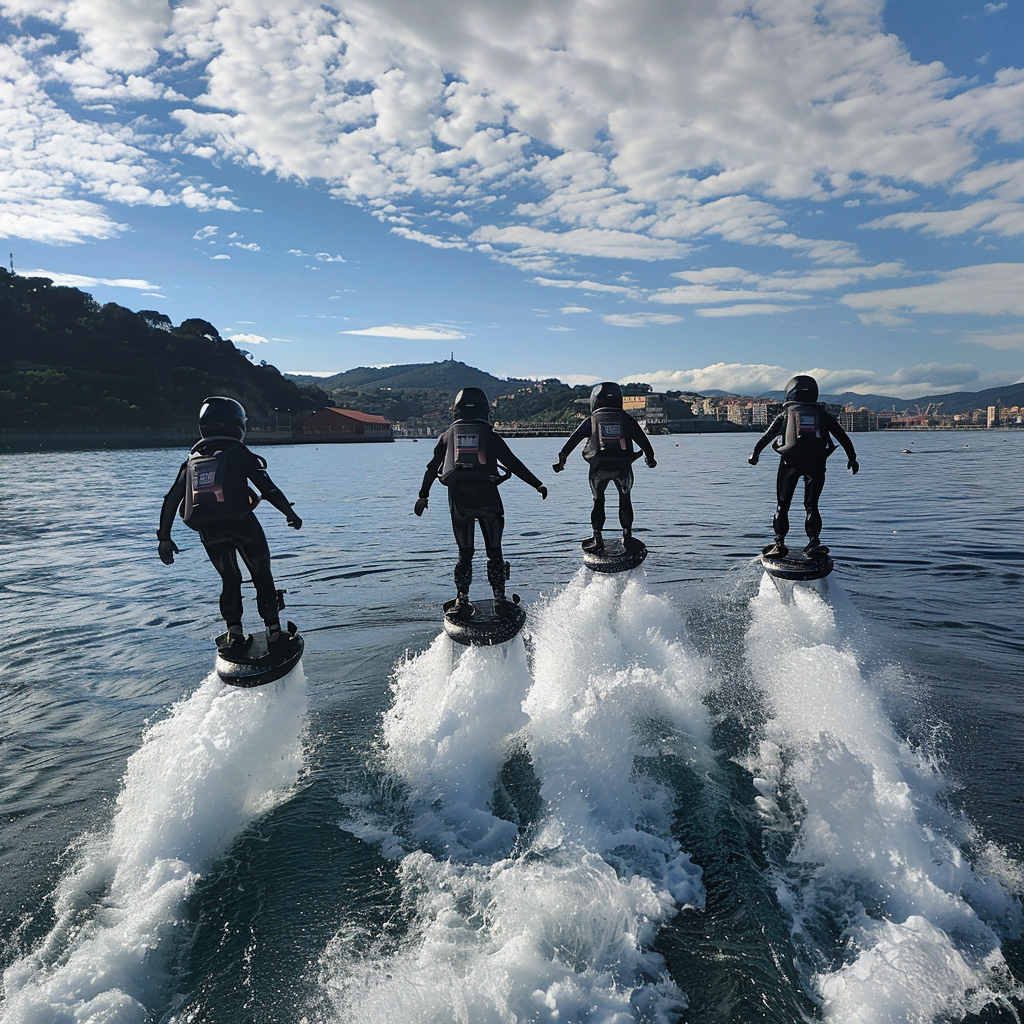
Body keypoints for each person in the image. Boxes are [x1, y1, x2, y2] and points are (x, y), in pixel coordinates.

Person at [157, 396, 302, 649]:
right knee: (261, 575)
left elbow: (172, 499)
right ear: (237, 426)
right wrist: (289, 513)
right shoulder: (237, 452)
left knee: (230, 579)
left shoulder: (192, 459)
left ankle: (234, 632)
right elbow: (267, 488)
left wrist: (165, 539)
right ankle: (274, 631)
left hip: (209, 530)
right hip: (243, 525)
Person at [414, 386, 547, 614]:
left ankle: (462, 600)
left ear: (456, 411)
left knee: (465, 553)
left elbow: (431, 469)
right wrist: (537, 484)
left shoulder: (446, 436)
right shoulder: (490, 436)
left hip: (460, 502)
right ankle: (500, 598)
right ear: (485, 411)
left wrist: (423, 496)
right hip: (489, 500)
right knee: (494, 550)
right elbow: (513, 463)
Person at [748, 374, 859, 556]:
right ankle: (813, 543)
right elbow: (842, 436)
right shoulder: (822, 414)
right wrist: (852, 458)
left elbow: (768, 436)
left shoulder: (786, 414)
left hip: (789, 462)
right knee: (812, 505)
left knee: (782, 505)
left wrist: (755, 453)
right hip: (816, 463)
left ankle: (779, 543)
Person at [552, 381, 656, 551]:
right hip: (623, 466)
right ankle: (627, 536)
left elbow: (572, 441)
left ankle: (597, 537)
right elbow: (643, 441)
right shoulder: (626, 419)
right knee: (625, 498)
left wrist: (561, 462)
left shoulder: (591, 420)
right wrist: (650, 459)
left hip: (598, 467)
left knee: (598, 500)